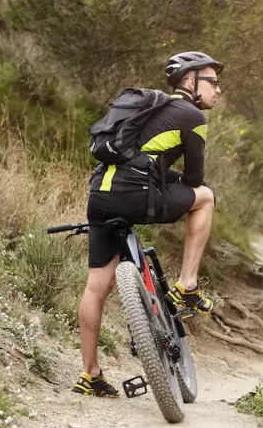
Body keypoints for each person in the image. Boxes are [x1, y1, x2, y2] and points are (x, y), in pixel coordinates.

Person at [73, 51, 224, 398]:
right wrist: (175, 180)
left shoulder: (149, 113)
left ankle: (89, 374)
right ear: (191, 82)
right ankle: (187, 286)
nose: (218, 89)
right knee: (206, 197)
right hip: (137, 196)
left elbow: (142, 161)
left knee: (96, 285)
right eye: (212, 81)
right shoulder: (191, 114)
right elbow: (195, 177)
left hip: (99, 195)